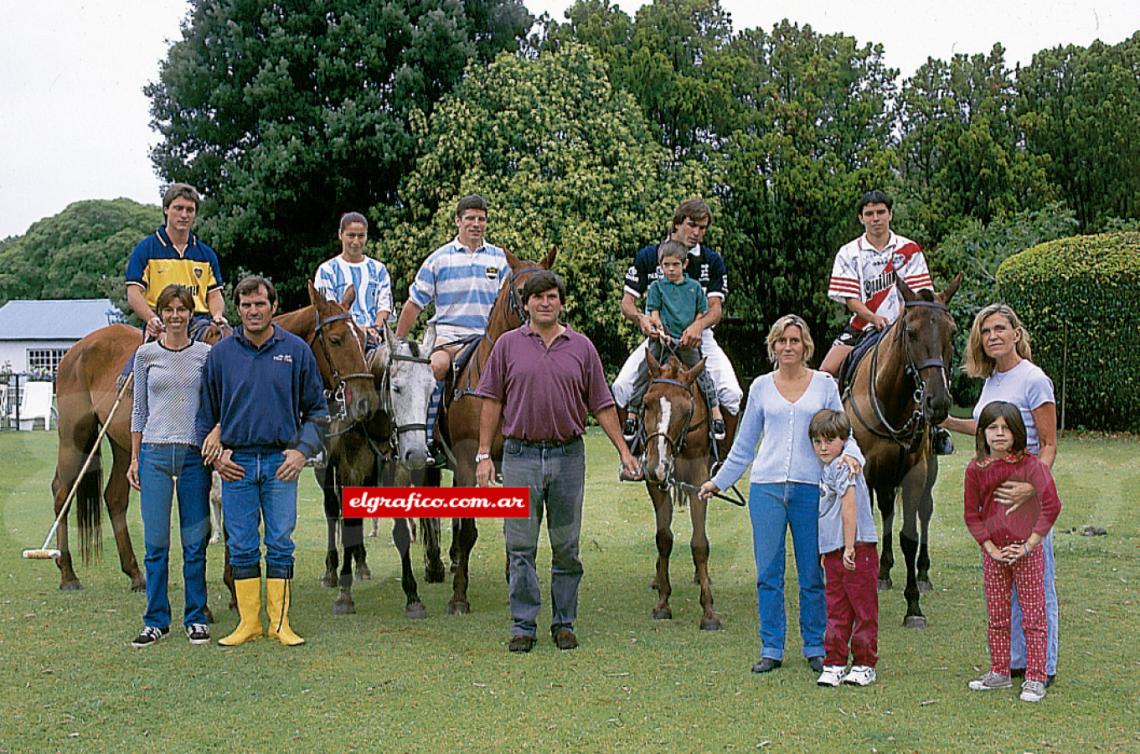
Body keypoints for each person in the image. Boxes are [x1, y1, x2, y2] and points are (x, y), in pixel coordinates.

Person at [474, 271, 640, 653]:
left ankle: (564, 622)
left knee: (566, 547)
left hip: (568, 457)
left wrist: (624, 451)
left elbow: (601, 403)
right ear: (526, 304)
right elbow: (491, 401)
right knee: (520, 547)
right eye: (537, 298)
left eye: (551, 297)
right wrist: (484, 454)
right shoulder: (506, 345)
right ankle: (523, 625)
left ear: (561, 302)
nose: (544, 303)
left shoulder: (581, 347)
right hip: (519, 457)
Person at [699, 315, 862, 675]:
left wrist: (853, 456)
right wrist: (719, 482)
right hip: (767, 489)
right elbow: (743, 445)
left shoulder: (823, 385)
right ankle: (772, 646)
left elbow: (843, 433)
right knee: (768, 572)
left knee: (811, 574)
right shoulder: (760, 386)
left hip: (812, 490)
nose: (788, 347)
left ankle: (816, 644)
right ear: (773, 346)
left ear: (806, 346)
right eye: (781, 341)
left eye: (795, 340)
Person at [195, 276, 328, 647]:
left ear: (273, 306)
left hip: (280, 463)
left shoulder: (297, 351)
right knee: (241, 545)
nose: (253, 311)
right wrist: (217, 456)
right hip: (236, 464)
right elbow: (205, 416)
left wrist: (302, 451)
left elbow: (318, 411)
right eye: (246, 305)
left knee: (281, 542)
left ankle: (281, 623)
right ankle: (249, 622)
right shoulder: (221, 355)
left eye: (260, 304)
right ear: (237, 308)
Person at [942, 303, 1060, 685]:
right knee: (1003, 581)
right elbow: (983, 427)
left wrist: (1031, 487)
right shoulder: (992, 380)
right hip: (994, 499)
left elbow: (1048, 443)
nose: (992, 336)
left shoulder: (1033, 379)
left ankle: (1045, 666)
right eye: (985, 331)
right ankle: (1011, 663)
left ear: (1015, 333)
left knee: (1036, 583)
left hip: (1027, 496)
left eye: (998, 329)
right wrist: (943, 420)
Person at [126, 284, 213, 647]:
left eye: (182, 309)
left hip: (193, 456)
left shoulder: (206, 355)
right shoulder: (145, 355)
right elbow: (139, 411)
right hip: (155, 454)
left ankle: (195, 616)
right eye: (169, 310)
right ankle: (156, 619)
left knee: (195, 543)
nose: (175, 316)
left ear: (191, 314)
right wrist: (134, 456)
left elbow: (214, 405)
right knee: (156, 543)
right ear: (159, 314)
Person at [612, 197, 742, 439]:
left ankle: (721, 461)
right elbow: (627, 303)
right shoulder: (649, 256)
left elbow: (716, 309)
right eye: (692, 225)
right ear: (677, 223)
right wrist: (642, 319)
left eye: (703, 228)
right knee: (621, 386)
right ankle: (634, 453)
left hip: (699, 338)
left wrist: (698, 326)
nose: (697, 232)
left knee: (732, 394)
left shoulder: (711, 261)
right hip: (660, 336)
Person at [963, 401, 1061, 703]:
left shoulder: (1031, 466)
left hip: (1027, 553)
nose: (1000, 434)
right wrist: (990, 548)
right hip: (995, 555)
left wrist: (1030, 544)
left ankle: (1035, 677)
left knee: (1033, 616)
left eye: (1006, 428)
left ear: (1017, 432)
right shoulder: (976, 469)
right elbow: (971, 515)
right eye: (993, 428)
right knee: (997, 616)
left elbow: (1051, 505)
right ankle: (1000, 672)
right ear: (983, 433)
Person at [818, 189, 933, 377]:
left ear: (890, 214)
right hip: (863, 326)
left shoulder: (909, 249)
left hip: (906, 326)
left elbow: (917, 295)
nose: (875, 218)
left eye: (881, 212)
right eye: (869, 214)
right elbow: (850, 299)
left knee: (933, 365)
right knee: (826, 371)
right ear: (861, 218)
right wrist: (874, 318)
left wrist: (899, 323)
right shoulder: (848, 252)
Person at [394, 194, 509, 381]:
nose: (476, 224)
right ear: (458, 220)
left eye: (481, 219)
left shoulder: (500, 259)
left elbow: (510, 306)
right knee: (436, 368)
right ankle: (431, 412)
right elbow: (415, 303)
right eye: (470, 218)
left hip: (488, 339)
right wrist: (397, 342)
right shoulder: (439, 258)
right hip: (449, 338)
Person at [622, 240, 725, 440]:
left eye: (675, 265)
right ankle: (632, 415)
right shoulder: (657, 288)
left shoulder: (694, 287)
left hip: (686, 342)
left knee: (701, 374)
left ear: (684, 265)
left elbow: (701, 313)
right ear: (660, 266)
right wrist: (659, 329)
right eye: (666, 265)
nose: (670, 269)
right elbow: (654, 312)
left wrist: (692, 329)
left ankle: (715, 413)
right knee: (644, 371)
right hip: (663, 342)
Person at [810, 409, 879, 688]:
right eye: (817, 442)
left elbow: (849, 506)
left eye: (830, 440)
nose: (823, 447)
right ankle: (835, 661)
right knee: (836, 606)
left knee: (862, 607)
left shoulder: (843, 467)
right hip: (835, 551)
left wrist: (850, 546)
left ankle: (864, 662)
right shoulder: (827, 469)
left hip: (856, 549)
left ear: (844, 440)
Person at [126, 183, 227, 341]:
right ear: (166, 209)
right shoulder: (146, 249)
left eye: (190, 210)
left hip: (198, 324)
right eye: (178, 208)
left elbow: (214, 295)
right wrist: (151, 319)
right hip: (161, 323)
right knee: (148, 360)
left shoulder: (206, 254)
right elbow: (133, 293)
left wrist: (218, 316)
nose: (184, 215)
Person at [313, 211, 394, 341]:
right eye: (351, 235)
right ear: (340, 235)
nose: (356, 241)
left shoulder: (379, 270)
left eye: (361, 236)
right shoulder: (327, 270)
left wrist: (375, 329)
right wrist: (357, 330)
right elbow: (328, 310)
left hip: (375, 338)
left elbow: (385, 306)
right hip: (341, 339)